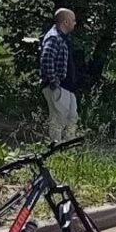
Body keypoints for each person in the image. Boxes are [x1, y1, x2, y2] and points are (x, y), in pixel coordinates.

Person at [40, 8, 79, 142]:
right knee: (58, 121)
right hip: (58, 87)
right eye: (73, 20)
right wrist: (54, 81)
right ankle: (55, 149)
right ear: (65, 21)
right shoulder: (54, 37)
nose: (75, 23)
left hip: (68, 87)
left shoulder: (63, 38)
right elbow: (46, 59)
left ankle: (69, 149)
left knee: (72, 118)